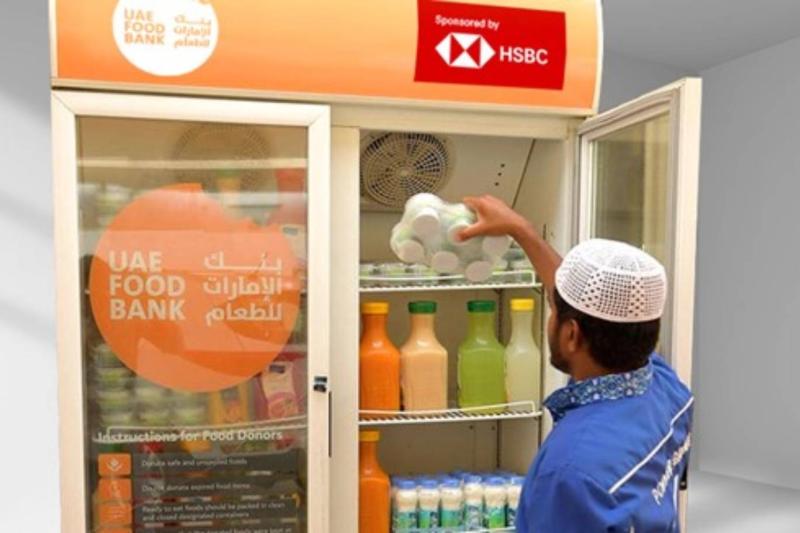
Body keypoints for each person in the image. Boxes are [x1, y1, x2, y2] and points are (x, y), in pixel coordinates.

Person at [460, 195, 693, 533]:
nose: (550, 314)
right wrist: (521, 230)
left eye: (553, 310)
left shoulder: (569, 471)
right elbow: (594, 305)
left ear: (571, 334)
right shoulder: (665, 387)